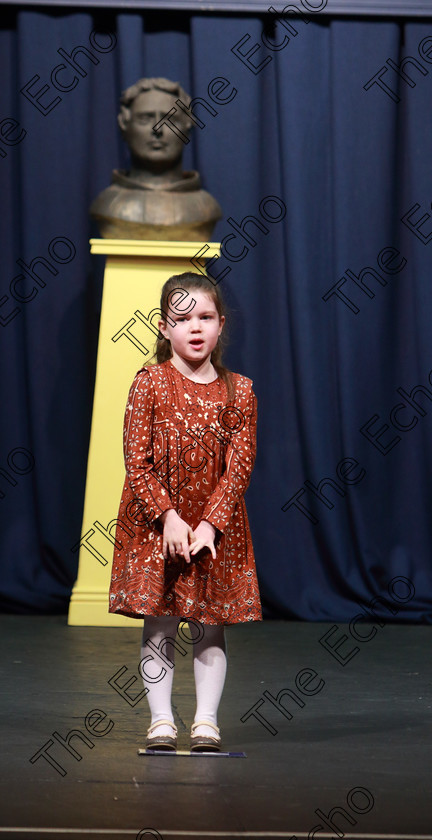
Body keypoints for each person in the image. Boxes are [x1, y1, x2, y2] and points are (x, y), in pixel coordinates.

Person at [108, 271, 262, 752]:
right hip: (158, 526)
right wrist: (169, 517)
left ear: (220, 325)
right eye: (183, 319)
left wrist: (211, 523)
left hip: (213, 528)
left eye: (206, 317)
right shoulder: (149, 383)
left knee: (208, 622)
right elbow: (138, 460)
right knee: (159, 621)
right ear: (163, 327)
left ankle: (206, 723)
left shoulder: (239, 392)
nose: (195, 328)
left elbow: (239, 466)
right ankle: (160, 722)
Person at [90, 78, 222, 240]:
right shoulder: (108, 206)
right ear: (124, 125)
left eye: (170, 120)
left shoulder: (205, 209)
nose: (157, 129)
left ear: (187, 128)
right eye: (145, 119)